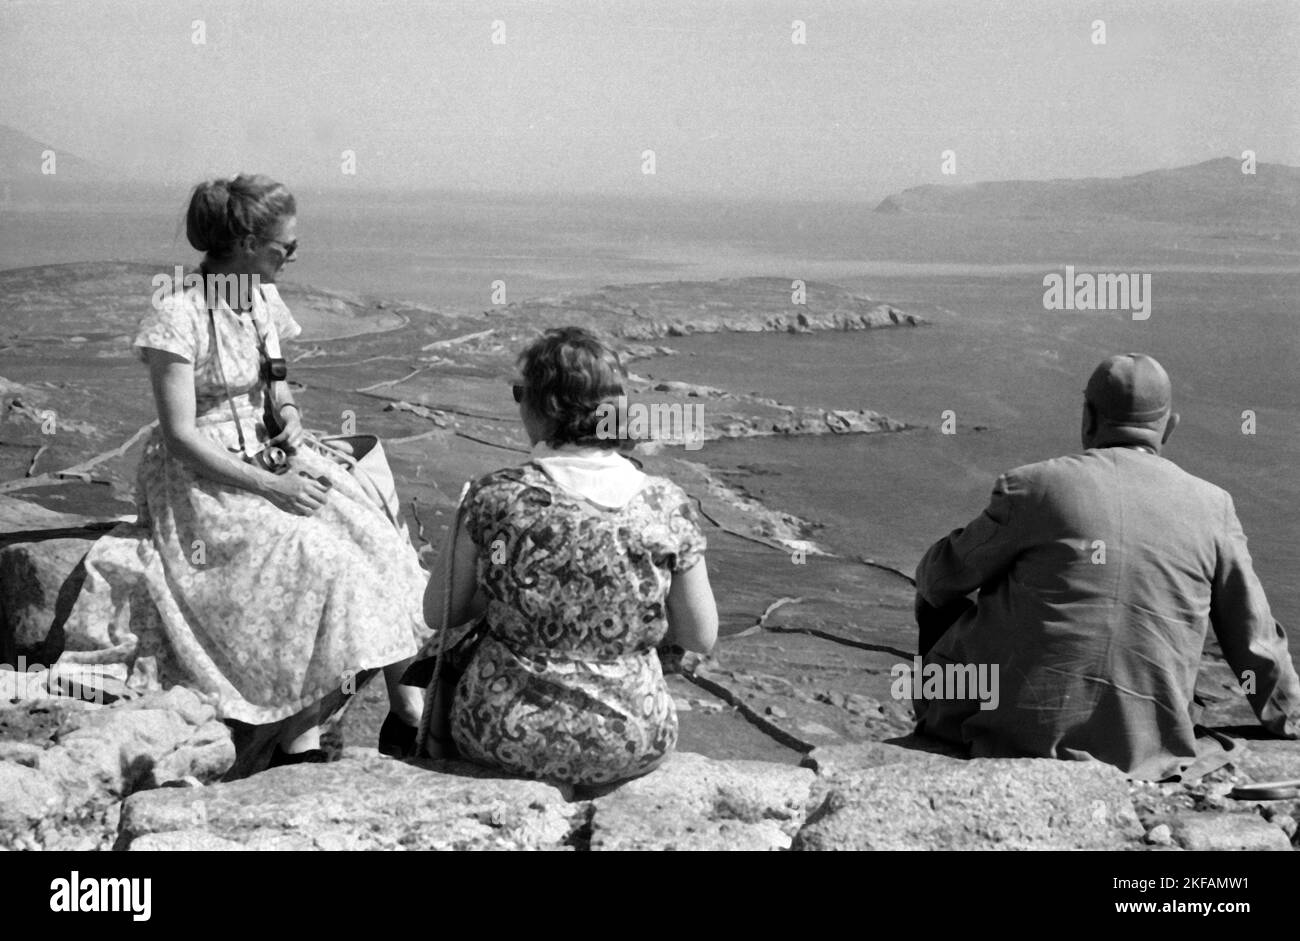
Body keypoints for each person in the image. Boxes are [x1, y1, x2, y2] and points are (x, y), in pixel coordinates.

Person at [64, 174, 427, 771]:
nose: (293, 255)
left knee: (380, 542)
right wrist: (273, 487)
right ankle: (297, 738)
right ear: (245, 242)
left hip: (268, 454)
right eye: (284, 246)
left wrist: (287, 415)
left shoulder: (258, 296)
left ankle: (404, 711)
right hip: (206, 478)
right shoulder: (176, 311)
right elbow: (179, 436)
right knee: (322, 564)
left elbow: (274, 381)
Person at [911, 353, 1300, 780]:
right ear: (1169, 426)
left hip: (1014, 738)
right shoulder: (1213, 508)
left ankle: (944, 717)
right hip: (1146, 748)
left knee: (938, 599)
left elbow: (938, 580)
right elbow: (1252, 637)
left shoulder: (1033, 487)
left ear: (1088, 417)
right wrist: (1288, 717)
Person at [419, 327, 718, 786]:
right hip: (631, 741)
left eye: (520, 394)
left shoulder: (493, 496)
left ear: (543, 407)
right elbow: (700, 635)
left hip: (500, 732)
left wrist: (511, 593)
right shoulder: (665, 502)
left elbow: (440, 611)